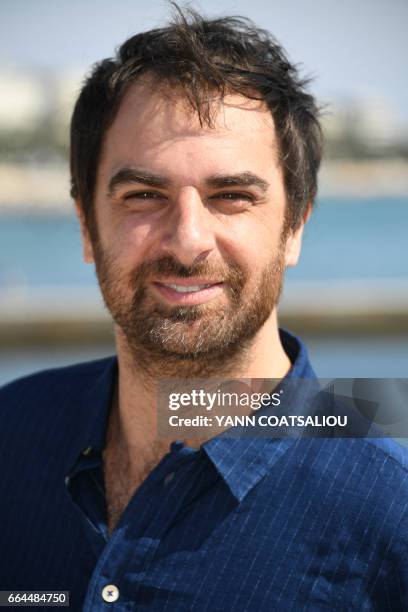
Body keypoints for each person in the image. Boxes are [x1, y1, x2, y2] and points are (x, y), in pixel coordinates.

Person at [1, 5, 407, 611]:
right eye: (144, 196)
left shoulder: (391, 508)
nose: (188, 239)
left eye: (232, 196)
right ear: (87, 226)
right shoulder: (11, 433)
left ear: (294, 227)